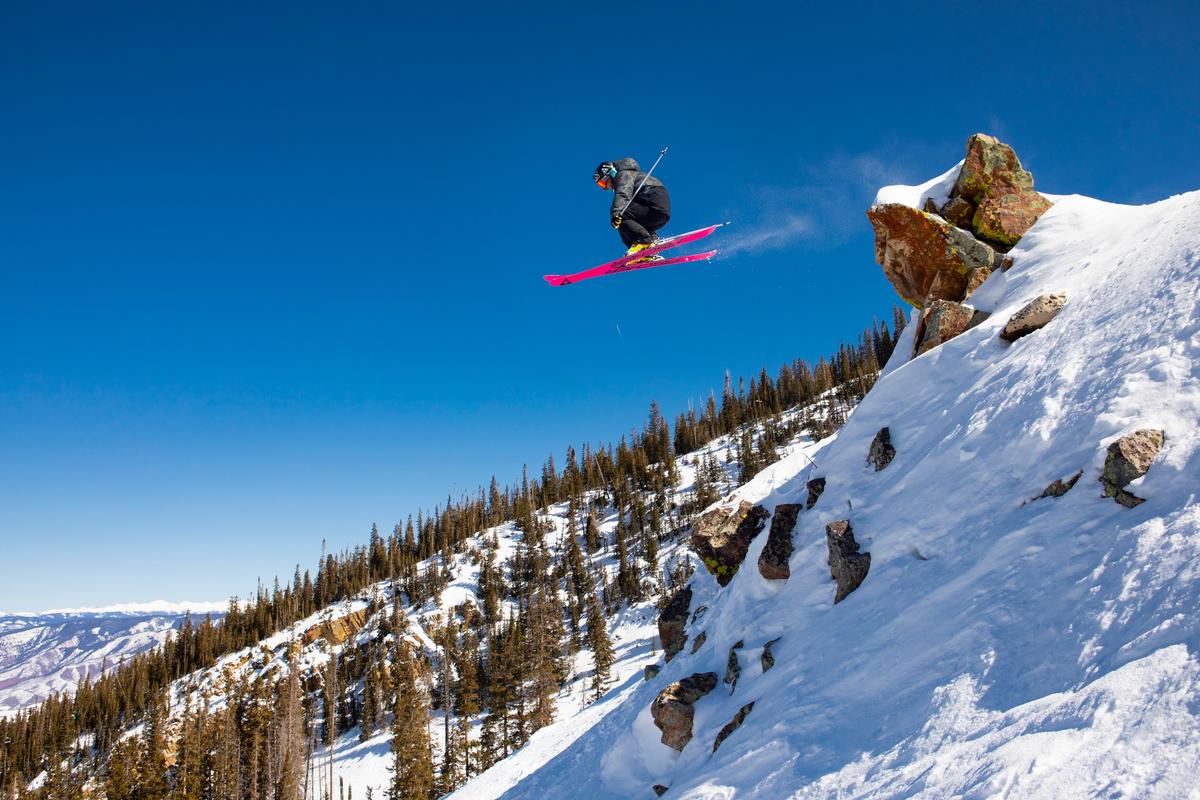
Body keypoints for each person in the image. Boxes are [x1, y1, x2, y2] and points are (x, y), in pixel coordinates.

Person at [594, 159, 671, 256]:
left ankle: (644, 241)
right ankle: (648, 248)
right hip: (659, 211)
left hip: (653, 202)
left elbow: (623, 193)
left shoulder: (624, 174)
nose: (606, 187)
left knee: (621, 216)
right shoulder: (630, 174)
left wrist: (615, 213)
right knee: (626, 226)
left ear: (609, 173)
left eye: (603, 183)